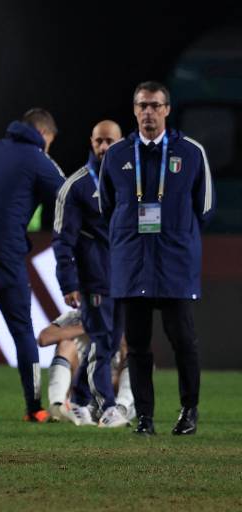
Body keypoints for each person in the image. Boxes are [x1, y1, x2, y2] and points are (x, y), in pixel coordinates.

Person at [99, 81, 215, 436]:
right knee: (136, 346)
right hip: (133, 264)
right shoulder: (117, 155)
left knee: (183, 341)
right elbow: (106, 207)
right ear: (134, 110)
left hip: (174, 264)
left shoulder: (191, 153)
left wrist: (177, 236)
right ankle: (145, 417)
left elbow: (205, 209)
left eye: (154, 105)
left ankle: (189, 412)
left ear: (167, 109)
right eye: (141, 106)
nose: (148, 112)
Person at [0, 108, 65, 422]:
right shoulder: (37, 159)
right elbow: (68, 197)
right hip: (7, 257)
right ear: (44, 134)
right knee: (22, 332)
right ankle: (35, 408)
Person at [52, 120, 128, 428]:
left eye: (110, 141)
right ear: (92, 142)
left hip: (125, 277)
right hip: (93, 277)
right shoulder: (77, 185)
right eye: (99, 141)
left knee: (112, 343)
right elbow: (62, 239)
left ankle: (81, 401)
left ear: (121, 143)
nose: (104, 147)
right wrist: (68, 282)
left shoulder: (129, 180)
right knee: (101, 340)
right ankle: (107, 406)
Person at [39, 310, 134, 425]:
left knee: (133, 352)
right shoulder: (74, 316)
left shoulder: (119, 317)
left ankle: (121, 408)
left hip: (113, 392)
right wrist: (86, 327)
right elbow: (43, 338)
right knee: (65, 344)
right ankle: (57, 406)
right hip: (79, 391)